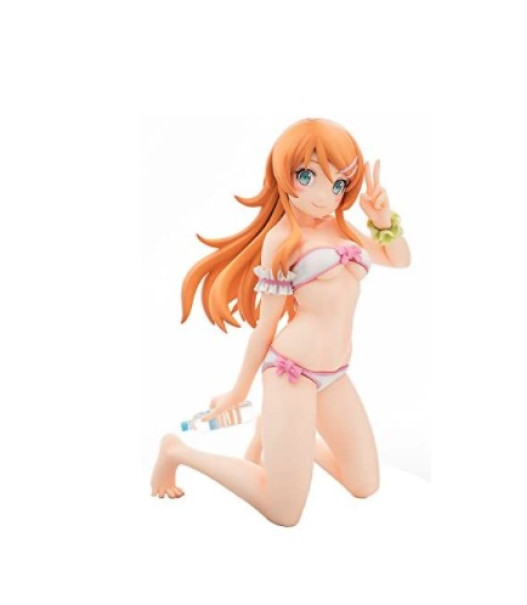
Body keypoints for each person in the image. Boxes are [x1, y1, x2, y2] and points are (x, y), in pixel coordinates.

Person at [150, 117, 411, 527]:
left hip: (335, 374)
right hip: (292, 372)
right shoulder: (281, 240)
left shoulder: (343, 229)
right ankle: (177, 452)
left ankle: (280, 435)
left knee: (365, 484)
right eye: (308, 176)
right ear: (286, 174)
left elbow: (399, 259)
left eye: (339, 183)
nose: (325, 196)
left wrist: (382, 218)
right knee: (283, 511)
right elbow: (266, 326)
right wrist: (238, 391)